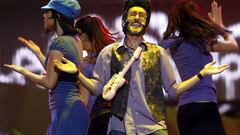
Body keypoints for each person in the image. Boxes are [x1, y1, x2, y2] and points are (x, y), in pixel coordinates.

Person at [53, 0, 229, 134]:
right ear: (125, 18)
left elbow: (173, 91)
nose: (137, 18)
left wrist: (201, 74)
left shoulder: (157, 52)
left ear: (147, 22)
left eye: (142, 15)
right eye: (133, 14)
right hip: (119, 128)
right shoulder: (108, 52)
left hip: (153, 128)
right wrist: (77, 72)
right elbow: (98, 89)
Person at [4, 0, 89, 134]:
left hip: (64, 113)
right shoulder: (74, 39)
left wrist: (24, 72)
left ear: (58, 16)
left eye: (47, 12)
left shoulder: (59, 42)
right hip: (74, 111)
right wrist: (38, 52)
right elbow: (57, 70)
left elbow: (49, 81)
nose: (43, 15)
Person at [160, 0, 239, 135]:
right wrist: (221, 26)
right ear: (194, 18)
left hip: (184, 111)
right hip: (203, 108)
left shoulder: (173, 44)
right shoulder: (200, 42)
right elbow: (233, 45)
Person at [74, 15, 116, 135]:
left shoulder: (86, 65)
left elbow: (84, 102)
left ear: (83, 35)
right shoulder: (111, 55)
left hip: (98, 119)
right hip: (119, 120)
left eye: (76, 36)